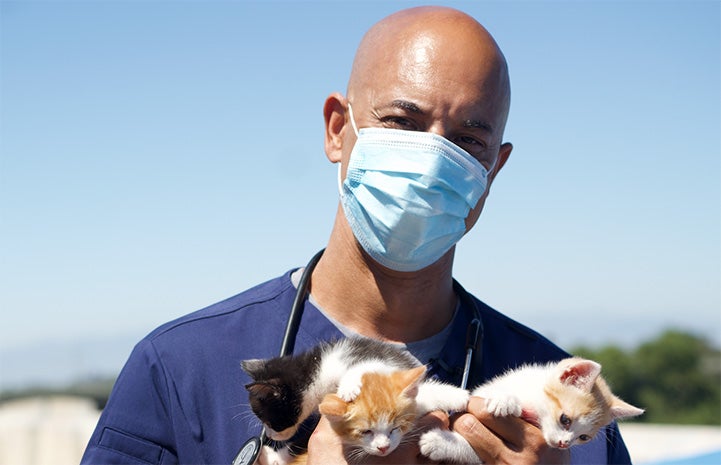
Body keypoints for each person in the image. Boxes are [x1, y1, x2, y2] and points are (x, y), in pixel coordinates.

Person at [81, 6, 633, 465]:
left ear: (494, 170)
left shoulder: (570, 412)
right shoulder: (178, 369)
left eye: (467, 140)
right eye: (402, 122)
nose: (432, 158)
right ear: (338, 130)